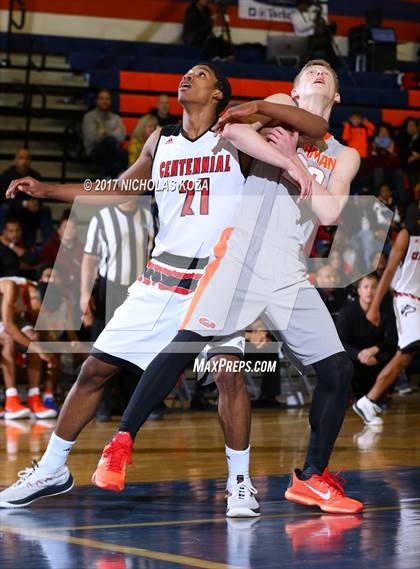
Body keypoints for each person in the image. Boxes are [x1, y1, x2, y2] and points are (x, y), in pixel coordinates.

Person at [0, 63, 325, 511]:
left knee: (230, 376)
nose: (187, 78)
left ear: (219, 95)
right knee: (95, 369)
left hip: (216, 280)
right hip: (161, 277)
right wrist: (48, 190)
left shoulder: (237, 133)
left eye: (201, 74)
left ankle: (240, 483)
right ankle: (53, 469)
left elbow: (315, 125)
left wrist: (261, 107)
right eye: (186, 74)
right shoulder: (161, 139)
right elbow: (117, 188)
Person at [94, 60, 365, 514]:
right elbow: (232, 131)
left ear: (336, 95)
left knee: (338, 371)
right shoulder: (277, 107)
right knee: (186, 345)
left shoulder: (346, 154)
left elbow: (332, 213)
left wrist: (297, 161)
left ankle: (311, 478)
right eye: (309, 70)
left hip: (289, 273)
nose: (318, 73)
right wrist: (283, 156)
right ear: (294, 90)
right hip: (240, 256)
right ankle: (121, 441)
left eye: (327, 73)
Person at [81, 198, 154, 420]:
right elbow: (89, 258)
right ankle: (101, 406)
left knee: (138, 348)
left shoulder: (148, 217)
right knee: (103, 348)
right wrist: (84, 294)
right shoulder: (103, 217)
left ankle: (135, 406)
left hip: (139, 289)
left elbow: (152, 255)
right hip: (109, 288)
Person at [353, 214, 420, 426]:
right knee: (408, 350)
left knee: (406, 356)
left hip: (417, 299)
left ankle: (369, 401)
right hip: (406, 299)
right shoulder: (406, 235)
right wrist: (374, 308)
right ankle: (368, 400)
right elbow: (389, 271)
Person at [0, 277, 57, 419]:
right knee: (8, 340)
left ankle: (34, 397)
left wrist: (48, 348)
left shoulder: (31, 294)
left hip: (11, 320)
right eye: (36, 299)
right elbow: (8, 325)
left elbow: (33, 325)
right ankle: (11, 400)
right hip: (5, 321)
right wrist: (39, 350)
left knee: (34, 338)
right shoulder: (10, 286)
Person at [336, 274, 397, 403]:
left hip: (377, 357)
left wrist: (374, 351)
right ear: (359, 291)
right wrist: (360, 355)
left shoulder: (386, 310)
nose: (369, 291)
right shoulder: (347, 312)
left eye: (374, 287)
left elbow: (393, 339)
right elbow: (340, 342)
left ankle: (383, 394)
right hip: (355, 357)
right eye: (365, 287)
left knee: (397, 354)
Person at [82, 88, 127, 178]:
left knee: (121, 151)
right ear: (96, 101)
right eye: (101, 98)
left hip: (112, 150)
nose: (105, 101)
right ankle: (118, 173)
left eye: (107, 99)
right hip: (94, 151)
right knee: (109, 142)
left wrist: (105, 133)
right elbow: (92, 137)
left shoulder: (116, 118)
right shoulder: (89, 117)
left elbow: (122, 135)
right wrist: (112, 133)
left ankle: (109, 176)